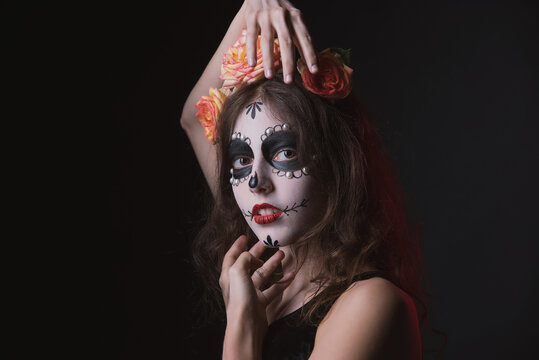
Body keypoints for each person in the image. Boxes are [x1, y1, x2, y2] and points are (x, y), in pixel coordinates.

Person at [180, 1, 426, 359]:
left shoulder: (371, 304)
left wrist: (241, 333)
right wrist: (256, 5)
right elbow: (194, 117)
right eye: (241, 160)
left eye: (283, 153)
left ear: (335, 164)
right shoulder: (269, 273)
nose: (255, 182)